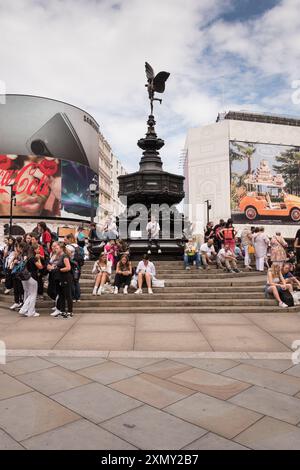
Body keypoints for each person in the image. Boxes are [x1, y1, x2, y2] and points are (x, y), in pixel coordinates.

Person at [18, 243, 44, 317]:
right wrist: (38, 259)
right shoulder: (33, 258)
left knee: (30, 294)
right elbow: (40, 267)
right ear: (35, 250)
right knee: (33, 295)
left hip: (25, 277)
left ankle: (26, 310)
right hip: (32, 277)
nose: (39, 250)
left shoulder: (28, 257)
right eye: (38, 249)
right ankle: (30, 312)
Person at [53, 242, 73, 318]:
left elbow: (68, 267)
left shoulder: (64, 256)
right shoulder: (60, 256)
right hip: (60, 278)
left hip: (66, 277)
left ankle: (70, 312)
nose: (55, 249)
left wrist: (59, 269)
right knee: (61, 295)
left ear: (61, 249)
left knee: (68, 295)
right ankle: (62, 311)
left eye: (57, 248)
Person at [65, 234, 82, 302]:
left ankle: (73, 297)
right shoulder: (77, 246)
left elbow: (66, 255)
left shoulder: (68, 247)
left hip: (71, 265)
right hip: (78, 265)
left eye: (66, 239)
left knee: (71, 281)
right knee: (76, 281)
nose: (64, 241)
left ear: (69, 239)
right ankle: (77, 297)